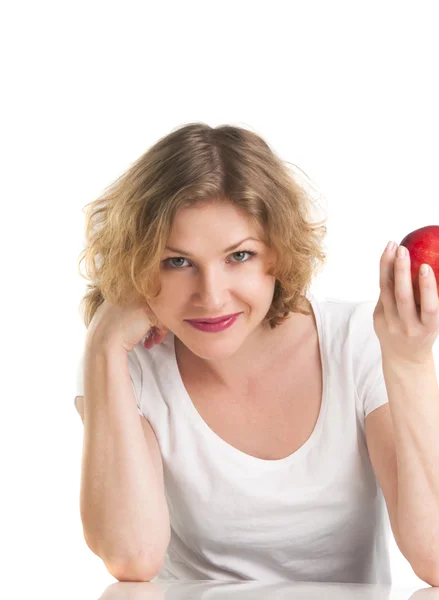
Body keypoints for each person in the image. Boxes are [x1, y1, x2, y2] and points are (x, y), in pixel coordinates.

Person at [74, 122, 393, 584]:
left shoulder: (357, 341)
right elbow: (131, 556)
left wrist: (413, 361)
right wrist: (103, 347)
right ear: (140, 263)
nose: (212, 296)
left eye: (238, 256)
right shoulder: (126, 368)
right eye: (177, 261)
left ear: (277, 254)